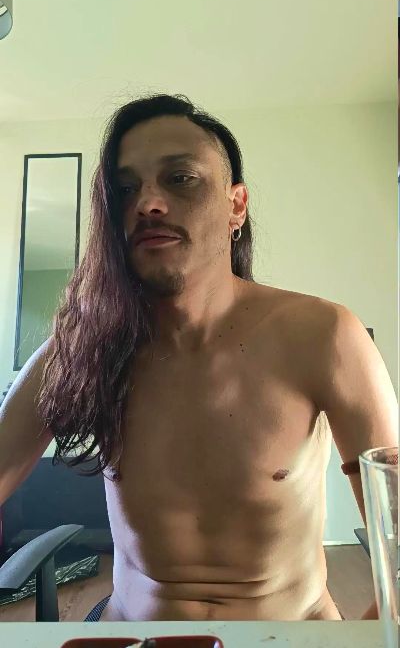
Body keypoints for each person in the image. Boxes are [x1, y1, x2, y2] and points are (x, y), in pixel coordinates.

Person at [0, 94, 397, 622]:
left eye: (180, 178)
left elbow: (398, 538)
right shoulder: (83, 347)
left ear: (237, 206)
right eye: (125, 188)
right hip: (132, 633)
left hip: (290, 635)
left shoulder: (326, 336)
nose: (148, 203)